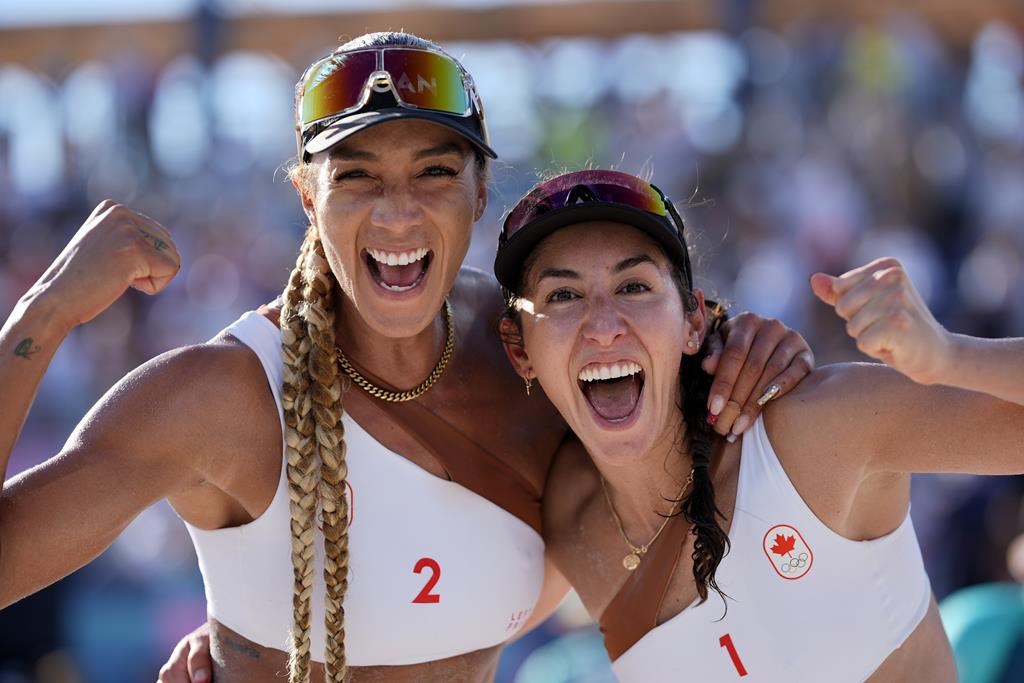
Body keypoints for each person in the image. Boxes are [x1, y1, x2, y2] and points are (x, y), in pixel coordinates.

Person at [0, 33, 814, 683]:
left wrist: (753, 348)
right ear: (308, 198)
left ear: (479, 194)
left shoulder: (541, 349)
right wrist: (46, 309)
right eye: (356, 177)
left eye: (433, 173)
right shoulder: (223, 397)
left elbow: (690, 426)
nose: (398, 213)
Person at [491, 168, 1024, 681]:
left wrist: (947, 357)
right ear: (520, 351)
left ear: (693, 322)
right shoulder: (565, 516)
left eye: (634, 287)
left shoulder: (813, 430)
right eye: (563, 295)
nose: (604, 326)